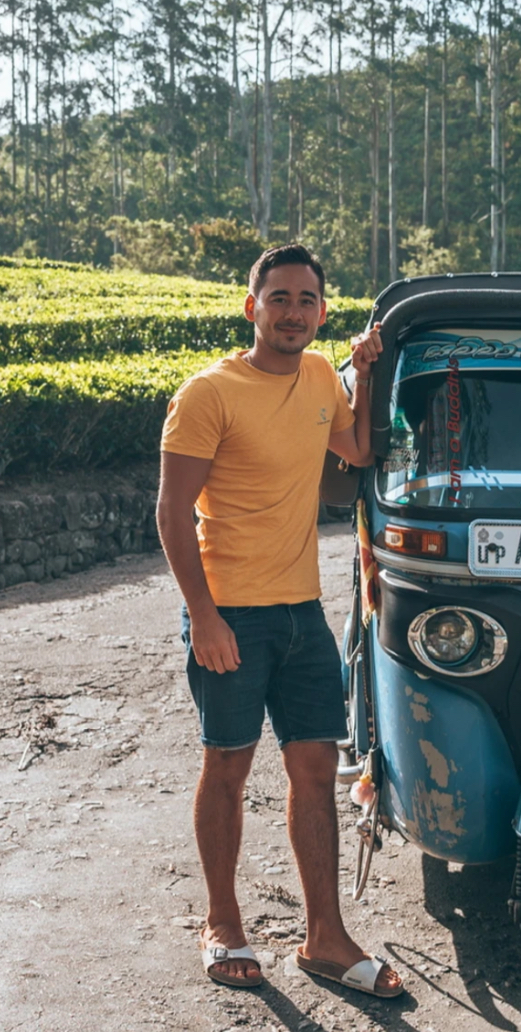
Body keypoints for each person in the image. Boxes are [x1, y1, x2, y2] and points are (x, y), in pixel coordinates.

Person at [155, 243, 404, 1000]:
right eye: (280, 297)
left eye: (306, 300)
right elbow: (170, 510)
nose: (293, 311)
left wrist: (367, 370)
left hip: (302, 613)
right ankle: (222, 921)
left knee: (316, 771)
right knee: (227, 765)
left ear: (320, 312)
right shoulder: (208, 392)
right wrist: (203, 615)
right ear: (251, 305)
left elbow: (356, 449)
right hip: (230, 612)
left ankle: (323, 936)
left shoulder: (324, 376)